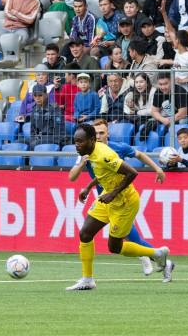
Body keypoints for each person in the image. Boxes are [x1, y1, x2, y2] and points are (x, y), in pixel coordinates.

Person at [64, 123, 173, 291]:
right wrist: (88, 187)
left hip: (124, 202)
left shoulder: (103, 154)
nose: (76, 145)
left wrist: (113, 193)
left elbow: (132, 173)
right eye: (75, 141)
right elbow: (104, 173)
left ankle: (157, 254)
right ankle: (87, 280)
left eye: (80, 141)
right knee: (85, 233)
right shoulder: (92, 152)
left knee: (114, 247)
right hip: (108, 197)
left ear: (91, 140)